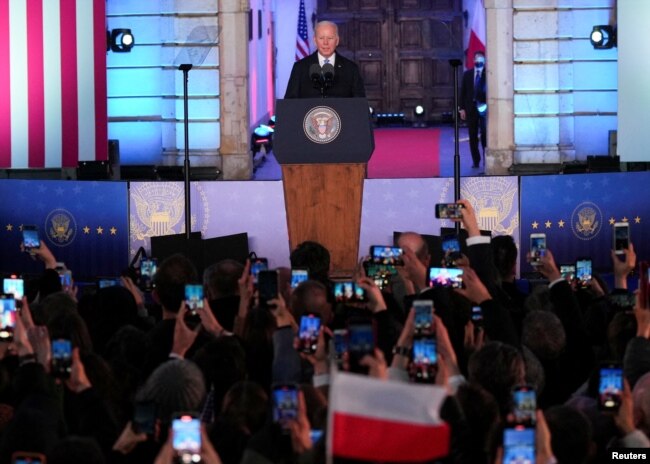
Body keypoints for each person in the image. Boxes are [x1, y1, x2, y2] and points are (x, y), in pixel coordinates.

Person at [284, 21, 366, 99]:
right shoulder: (300, 67)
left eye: (330, 38)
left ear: (337, 41)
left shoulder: (351, 68)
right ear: (315, 40)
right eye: (321, 38)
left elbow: (359, 103)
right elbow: (290, 103)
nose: (325, 43)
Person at [459, 51, 487, 168]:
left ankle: (487, 160)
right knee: (473, 135)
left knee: (485, 134)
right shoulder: (467, 74)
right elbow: (463, 93)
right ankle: (476, 161)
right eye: (476, 58)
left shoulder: (488, 74)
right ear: (473, 60)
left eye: (480, 59)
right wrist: (462, 109)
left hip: (485, 109)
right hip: (471, 109)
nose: (478, 60)